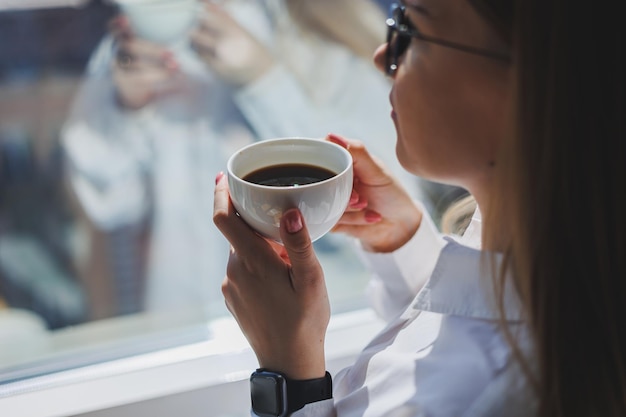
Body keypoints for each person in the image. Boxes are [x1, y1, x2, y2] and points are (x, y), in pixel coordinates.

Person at [213, 0, 626, 416]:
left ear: (531, 84)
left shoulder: (489, 397)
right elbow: (465, 333)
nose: (382, 57)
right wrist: (404, 245)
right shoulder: (553, 273)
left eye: (410, 29)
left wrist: (289, 374)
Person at [61, 0, 411, 317]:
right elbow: (106, 205)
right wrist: (126, 106)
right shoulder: (142, 36)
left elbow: (383, 207)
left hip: (319, 330)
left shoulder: (327, 32)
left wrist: (264, 80)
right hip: (181, 330)